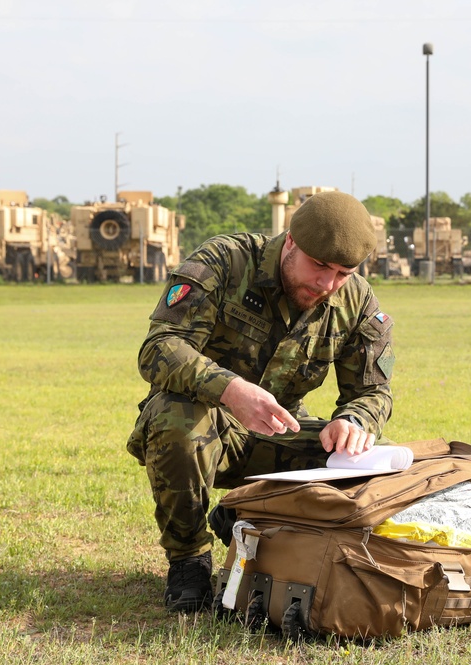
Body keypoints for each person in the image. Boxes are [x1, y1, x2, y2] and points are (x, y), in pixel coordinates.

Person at [126, 191, 394, 613]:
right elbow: (160, 347)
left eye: (343, 272)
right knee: (173, 416)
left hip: (279, 435)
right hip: (210, 428)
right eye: (319, 265)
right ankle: (189, 562)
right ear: (290, 242)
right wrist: (230, 390)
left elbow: (372, 391)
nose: (328, 284)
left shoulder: (355, 301)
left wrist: (354, 422)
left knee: (365, 462)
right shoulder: (226, 262)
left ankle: (243, 514)